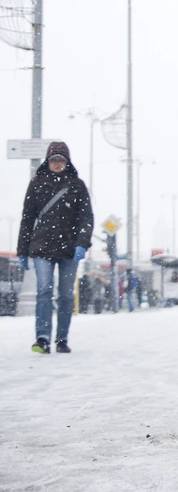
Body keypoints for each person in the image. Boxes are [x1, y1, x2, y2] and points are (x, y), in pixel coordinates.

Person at [17, 142, 93, 354]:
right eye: (54, 160)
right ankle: (42, 337)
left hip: (69, 248)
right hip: (41, 247)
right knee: (44, 290)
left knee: (66, 295)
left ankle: (61, 338)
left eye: (61, 160)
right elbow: (27, 218)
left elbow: (86, 218)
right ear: (47, 161)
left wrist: (81, 243)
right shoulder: (37, 184)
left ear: (67, 162)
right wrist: (22, 250)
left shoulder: (77, 185)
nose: (57, 164)